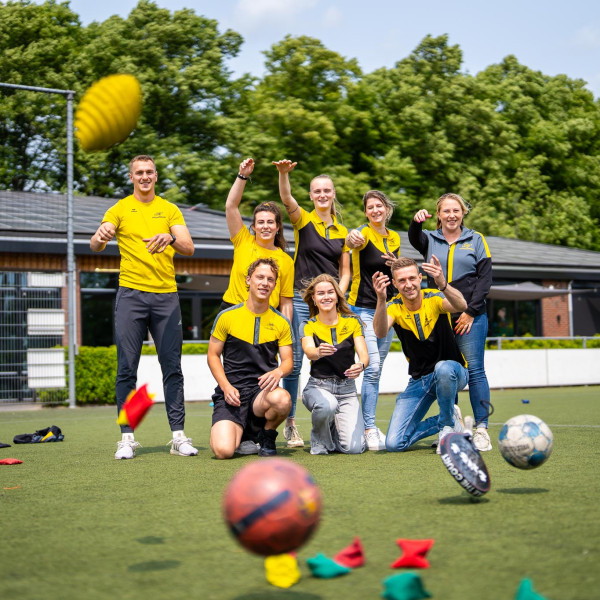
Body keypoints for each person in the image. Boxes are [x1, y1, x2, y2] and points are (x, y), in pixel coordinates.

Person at [90, 155, 197, 460]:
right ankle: (127, 438)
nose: (145, 176)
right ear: (131, 177)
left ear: (156, 176)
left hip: (166, 297)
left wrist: (170, 237)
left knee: (172, 367)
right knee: (127, 368)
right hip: (131, 296)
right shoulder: (120, 208)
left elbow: (189, 248)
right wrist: (100, 236)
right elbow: (95, 244)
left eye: (149, 172)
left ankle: (178, 437)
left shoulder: (169, 209)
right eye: (139, 172)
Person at [272, 159, 351, 449]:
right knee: (294, 362)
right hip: (301, 300)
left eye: (326, 190)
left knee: (330, 358)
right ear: (311, 195)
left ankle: (332, 419)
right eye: (317, 191)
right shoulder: (303, 221)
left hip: (328, 304)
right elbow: (286, 198)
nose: (322, 194)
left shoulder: (343, 232)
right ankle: (291, 424)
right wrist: (283, 174)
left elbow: (345, 272)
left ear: (333, 193)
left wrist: (337, 298)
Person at [408, 193, 493, 451]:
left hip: (471, 317)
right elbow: (414, 237)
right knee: (445, 370)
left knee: (475, 370)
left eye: (456, 210)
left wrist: (471, 312)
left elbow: (485, 279)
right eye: (446, 211)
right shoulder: (429, 239)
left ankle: (481, 429)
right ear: (439, 214)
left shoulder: (476, 239)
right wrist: (416, 221)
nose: (451, 215)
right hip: (440, 316)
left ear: (463, 213)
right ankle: (452, 425)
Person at [373, 257, 468, 454]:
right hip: (419, 381)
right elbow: (380, 332)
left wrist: (443, 284)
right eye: (402, 280)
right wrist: (381, 299)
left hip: (452, 372)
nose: (408, 285)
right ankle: (449, 418)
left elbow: (461, 306)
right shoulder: (393, 306)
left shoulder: (434, 297)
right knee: (394, 444)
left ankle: (446, 428)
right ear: (395, 283)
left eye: (411, 278)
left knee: (442, 368)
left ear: (419, 278)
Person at [208, 258, 293, 459]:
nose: (265, 283)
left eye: (270, 279)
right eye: (260, 277)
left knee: (282, 399)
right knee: (223, 451)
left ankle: (266, 434)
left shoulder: (281, 322)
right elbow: (212, 355)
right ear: (248, 280)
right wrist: (226, 387)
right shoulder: (227, 316)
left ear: (275, 285)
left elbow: (288, 361)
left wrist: (278, 371)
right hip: (232, 394)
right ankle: (243, 435)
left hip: (261, 395)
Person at [346, 190, 400, 451]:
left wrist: (396, 263)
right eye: (370, 207)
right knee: (373, 366)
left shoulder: (395, 237)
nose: (375, 210)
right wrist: (351, 237)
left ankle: (366, 423)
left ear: (386, 209)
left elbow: (397, 272)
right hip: (363, 309)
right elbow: (351, 240)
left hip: (388, 309)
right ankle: (368, 428)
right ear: (366, 212)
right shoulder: (362, 233)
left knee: (376, 370)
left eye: (379, 206)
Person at [300, 274, 368, 455]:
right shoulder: (308, 325)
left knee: (354, 449)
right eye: (320, 293)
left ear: (337, 296)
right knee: (327, 405)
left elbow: (364, 356)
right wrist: (318, 352)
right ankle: (319, 440)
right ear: (314, 299)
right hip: (317, 387)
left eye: (330, 292)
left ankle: (333, 427)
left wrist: (360, 365)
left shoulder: (353, 322)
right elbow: (309, 351)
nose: (326, 297)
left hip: (347, 391)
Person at [221, 157, 293, 323]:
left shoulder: (286, 261)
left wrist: (286, 331)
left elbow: (286, 302)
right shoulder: (243, 241)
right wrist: (242, 176)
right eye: (260, 222)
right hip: (233, 312)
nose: (265, 226)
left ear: (277, 227)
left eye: (270, 222)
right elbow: (231, 206)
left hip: (266, 319)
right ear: (253, 227)